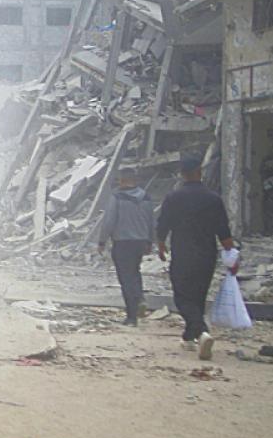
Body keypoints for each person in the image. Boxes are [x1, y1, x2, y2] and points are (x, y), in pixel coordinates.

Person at [154, 152, 236, 360]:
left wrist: (161, 245)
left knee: (182, 296)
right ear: (200, 172)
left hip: (183, 253)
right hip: (207, 254)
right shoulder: (213, 199)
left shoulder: (173, 198)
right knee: (198, 295)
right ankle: (189, 337)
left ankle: (201, 332)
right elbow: (224, 232)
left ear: (182, 174)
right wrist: (232, 256)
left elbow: (163, 224)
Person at [94, 169, 156, 325]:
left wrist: (102, 241)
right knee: (135, 271)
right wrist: (150, 241)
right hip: (140, 241)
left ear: (122, 180)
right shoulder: (145, 197)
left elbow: (109, 221)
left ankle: (131, 316)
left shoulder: (117, 197)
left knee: (125, 278)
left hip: (122, 242)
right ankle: (140, 298)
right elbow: (152, 221)